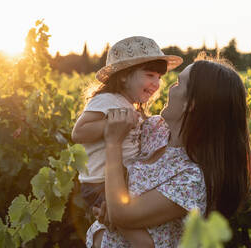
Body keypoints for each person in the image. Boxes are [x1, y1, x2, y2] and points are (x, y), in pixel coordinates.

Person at [86, 59, 251, 247]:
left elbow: (121, 214)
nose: (169, 87)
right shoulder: (155, 129)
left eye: (178, 83)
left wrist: (113, 143)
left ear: (191, 103)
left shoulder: (191, 178)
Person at [71, 36, 183, 247]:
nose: (156, 83)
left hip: (118, 178)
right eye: (149, 75)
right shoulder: (108, 100)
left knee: (136, 223)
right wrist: (113, 126)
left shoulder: (130, 105)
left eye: (159, 77)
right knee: (141, 239)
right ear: (123, 77)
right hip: (100, 183)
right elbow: (79, 132)